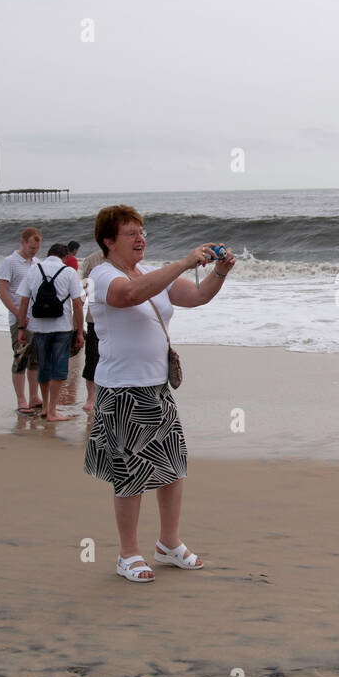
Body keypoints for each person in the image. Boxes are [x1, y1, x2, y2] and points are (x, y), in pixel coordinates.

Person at [83, 204, 234, 582]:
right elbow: (129, 295)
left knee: (172, 467)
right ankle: (128, 554)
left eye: (143, 232)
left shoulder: (151, 273)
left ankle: (169, 544)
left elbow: (198, 297)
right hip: (122, 390)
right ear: (109, 241)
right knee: (130, 473)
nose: (140, 239)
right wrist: (184, 261)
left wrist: (219, 272)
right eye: (131, 233)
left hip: (156, 386)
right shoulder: (103, 275)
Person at [16, 243, 84, 422]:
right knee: (59, 369)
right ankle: (53, 411)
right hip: (62, 327)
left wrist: (21, 328)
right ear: (65, 257)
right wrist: (79, 331)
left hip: (38, 327)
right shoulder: (69, 272)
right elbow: (77, 304)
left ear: (48, 254)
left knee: (43, 367)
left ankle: (45, 407)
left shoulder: (33, 270)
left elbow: (23, 301)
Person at [0, 228, 43, 415]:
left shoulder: (38, 263)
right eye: (31, 247)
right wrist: (18, 314)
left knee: (35, 360)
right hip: (18, 319)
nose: (34, 251)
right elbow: (2, 291)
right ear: (22, 242)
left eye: (37, 248)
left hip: (37, 319)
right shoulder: (10, 262)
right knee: (21, 358)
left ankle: (34, 396)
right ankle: (21, 399)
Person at [77, 248, 106, 413]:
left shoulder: (127, 256)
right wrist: (77, 325)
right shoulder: (92, 260)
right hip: (95, 318)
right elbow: (84, 291)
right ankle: (91, 397)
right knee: (93, 359)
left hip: (119, 319)